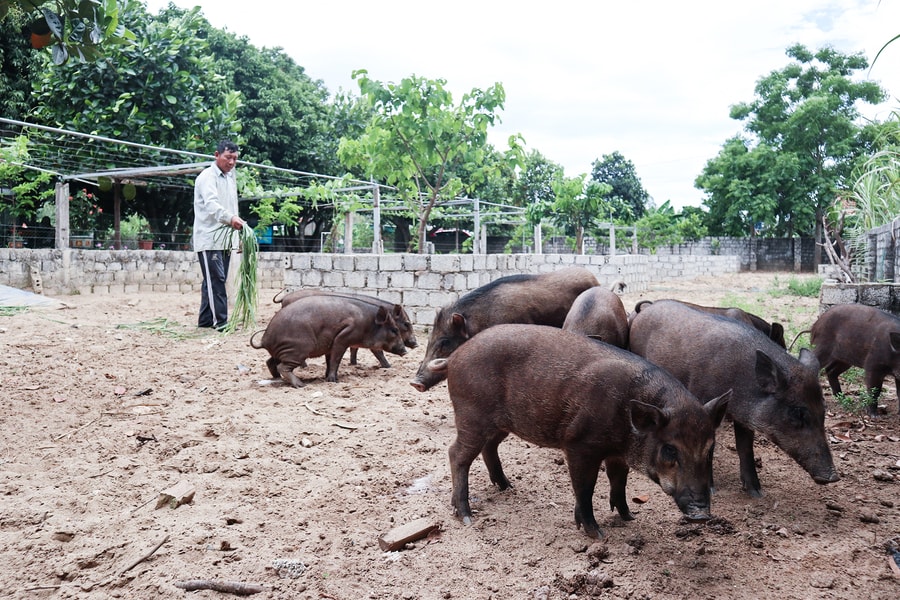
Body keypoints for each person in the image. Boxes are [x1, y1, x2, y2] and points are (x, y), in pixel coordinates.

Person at [193, 139, 245, 330]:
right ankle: (220, 322)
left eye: (235, 159)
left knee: (212, 281)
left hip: (225, 239)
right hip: (209, 239)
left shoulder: (230, 178)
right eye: (228, 157)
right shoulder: (208, 177)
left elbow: (232, 208)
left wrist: (237, 236)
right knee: (216, 281)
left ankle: (205, 321)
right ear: (217, 155)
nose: (231, 162)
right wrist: (231, 219)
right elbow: (212, 205)